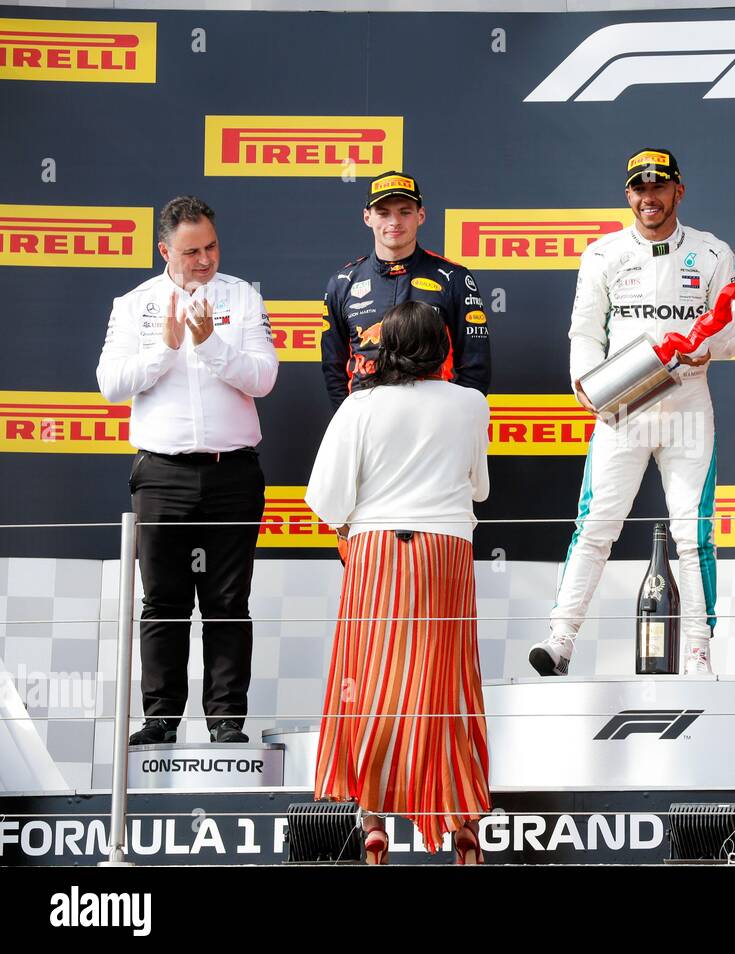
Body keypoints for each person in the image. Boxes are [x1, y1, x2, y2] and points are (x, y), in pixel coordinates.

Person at [529, 148, 735, 678]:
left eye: (659, 187)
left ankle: (698, 650)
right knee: (596, 524)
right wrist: (587, 386)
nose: (648, 198)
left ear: (679, 190)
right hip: (624, 406)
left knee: (692, 532)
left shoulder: (713, 251)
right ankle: (560, 639)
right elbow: (585, 331)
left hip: (688, 403)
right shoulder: (602, 254)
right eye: (638, 189)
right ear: (628, 194)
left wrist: (711, 349)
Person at [306, 301, 491, 864]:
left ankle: (372, 822)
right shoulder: (471, 403)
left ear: (383, 350)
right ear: (443, 349)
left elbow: (326, 499)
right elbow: (478, 488)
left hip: (377, 552)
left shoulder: (360, 407)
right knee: (449, 686)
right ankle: (462, 827)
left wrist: (353, 523)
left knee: (367, 683)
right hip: (448, 553)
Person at [96, 195, 278, 745]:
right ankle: (160, 720)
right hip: (161, 474)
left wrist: (210, 344)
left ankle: (226, 721)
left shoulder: (242, 296)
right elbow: (111, 384)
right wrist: (166, 348)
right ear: (164, 251)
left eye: (212, 246)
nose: (205, 260)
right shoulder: (134, 304)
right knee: (163, 600)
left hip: (232, 473)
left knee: (228, 600)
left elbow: (263, 377)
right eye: (192, 251)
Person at [322, 170, 490, 406]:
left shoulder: (453, 278)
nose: (394, 222)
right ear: (367, 217)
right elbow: (333, 367)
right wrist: (349, 419)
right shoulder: (343, 282)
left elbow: (476, 365)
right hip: (366, 421)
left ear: (420, 215)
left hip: (434, 421)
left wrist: (451, 419)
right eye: (383, 213)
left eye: (405, 212)